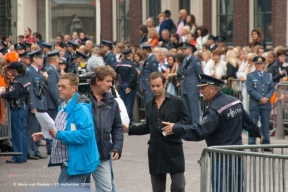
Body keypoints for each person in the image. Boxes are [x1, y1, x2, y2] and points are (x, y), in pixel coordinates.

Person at [162, 74, 263, 192]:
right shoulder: (235, 102)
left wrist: (176, 128)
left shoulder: (214, 110)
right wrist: (258, 133)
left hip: (221, 158)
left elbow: (199, 131)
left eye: (203, 88)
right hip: (237, 155)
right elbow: (248, 122)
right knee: (237, 188)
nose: (200, 91)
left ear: (213, 89)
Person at [123, 71, 191, 192]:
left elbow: (186, 121)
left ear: (164, 84)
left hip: (173, 151)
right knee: (158, 190)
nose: (155, 89)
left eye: (158, 85)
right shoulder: (149, 104)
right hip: (156, 152)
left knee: (179, 187)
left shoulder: (177, 101)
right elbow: (147, 127)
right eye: (153, 86)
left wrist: (175, 127)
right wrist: (130, 128)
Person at [32, 73, 100, 184]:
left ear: (74, 88)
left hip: (77, 162)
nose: (59, 89)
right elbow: (60, 129)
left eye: (63, 86)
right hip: (70, 162)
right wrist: (45, 135)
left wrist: (59, 134)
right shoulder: (63, 106)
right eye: (58, 86)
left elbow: (85, 133)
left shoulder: (80, 108)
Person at [88, 65, 123, 191]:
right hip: (84, 153)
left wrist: (117, 147)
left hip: (103, 154)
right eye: (108, 81)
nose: (111, 85)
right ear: (98, 81)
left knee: (106, 189)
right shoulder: (83, 99)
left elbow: (117, 127)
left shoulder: (112, 101)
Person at [1, 62, 30, 163]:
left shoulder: (17, 81)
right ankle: (23, 155)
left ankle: (18, 156)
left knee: (17, 132)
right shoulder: (24, 79)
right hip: (22, 107)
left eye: (11, 70)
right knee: (21, 132)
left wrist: (3, 93)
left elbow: (12, 94)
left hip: (17, 108)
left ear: (14, 70)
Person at [247, 56, 274, 152]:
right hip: (255, 103)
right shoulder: (250, 76)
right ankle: (252, 144)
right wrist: (260, 98)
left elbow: (272, 88)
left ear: (264, 64)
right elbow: (250, 89)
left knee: (265, 124)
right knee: (253, 124)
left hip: (266, 104)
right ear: (255, 65)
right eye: (257, 64)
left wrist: (266, 98)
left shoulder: (268, 75)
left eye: (260, 64)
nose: (259, 66)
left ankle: (265, 143)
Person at [25, 49, 48, 160]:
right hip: (35, 105)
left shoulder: (38, 72)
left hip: (40, 104)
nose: (42, 60)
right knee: (32, 129)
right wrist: (32, 105)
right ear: (34, 58)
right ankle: (29, 150)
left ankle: (35, 148)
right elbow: (29, 90)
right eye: (40, 58)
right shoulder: (29, 71)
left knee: (38, 128)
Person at [177, 43, 203, 123]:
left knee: (194, 109)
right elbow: (181, 72)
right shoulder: (185, 60)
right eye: (183, 49)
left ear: (190, 50)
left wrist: (202, 87)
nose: (183, 50)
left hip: (193, 87)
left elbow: (200, 74)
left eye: (185, 49)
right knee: (187, 109)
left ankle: (195, 126)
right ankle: (189, 126)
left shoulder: (195, 60)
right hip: (185, 86)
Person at [44, 50, 62, 155]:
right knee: (52, 125)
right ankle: (50, 147)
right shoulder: (51, 71)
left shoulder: (51, 70)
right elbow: (53, 88)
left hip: (51, 103)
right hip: (51, 103)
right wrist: (58, 101)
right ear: (55, 59)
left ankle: (51, 146)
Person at [115, 48, 137, 124]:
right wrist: (130, 86)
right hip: (129, 85)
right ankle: (129, 122)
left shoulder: (119, 64)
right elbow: (133, 76)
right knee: (129, 104)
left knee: (123, 105)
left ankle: (123, 122)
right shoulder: (131, 64)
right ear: (130, 54)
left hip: (122, 84)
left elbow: (116, 74)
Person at [140, 44, 158, 108]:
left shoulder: (152, 60)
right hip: (146, 86)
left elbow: (155, 74)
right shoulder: (148, 58)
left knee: (150, 105)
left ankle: (151, 118)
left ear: (145, 50)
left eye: (142, 50)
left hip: (149, 86)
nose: (142, 52)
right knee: (146, 106)